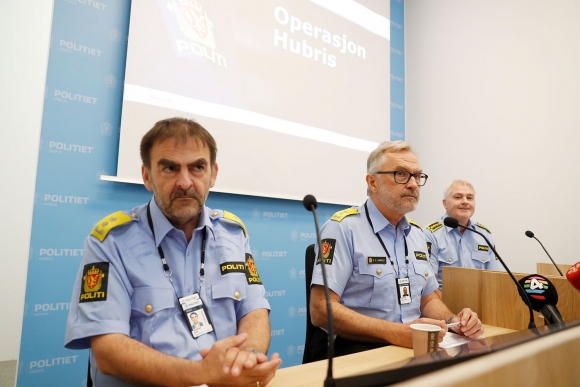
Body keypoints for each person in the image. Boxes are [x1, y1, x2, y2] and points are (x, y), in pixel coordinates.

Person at [65, 117, 281, 386]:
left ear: (213, 174)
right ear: (147, 176)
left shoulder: (233, 234)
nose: (185, 181)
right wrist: (203, 374)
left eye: (197, 167)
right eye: (170, 168)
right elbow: (108, 351)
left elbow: (254, 311)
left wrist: (248, 358)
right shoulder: (110, 241)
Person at [308, 141, 483, 361]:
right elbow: (321, 309)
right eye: (401, 174)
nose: (413, 184)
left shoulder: (418, 235)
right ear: (373, 182)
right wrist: (395, 333)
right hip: (355, 349)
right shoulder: (343, 228)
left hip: (409, 348)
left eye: (417, 176)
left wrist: (454, 322)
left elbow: (428, 301)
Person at [425, 179, 503, 296]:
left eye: (470, 198)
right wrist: (452, 313)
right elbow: (428, 287)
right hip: (445, 306)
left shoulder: (484, 234)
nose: (465, 202)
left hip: (481, 305)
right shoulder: (430, 234)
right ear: (445, 203)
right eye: (458, 197)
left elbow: (496, 279)